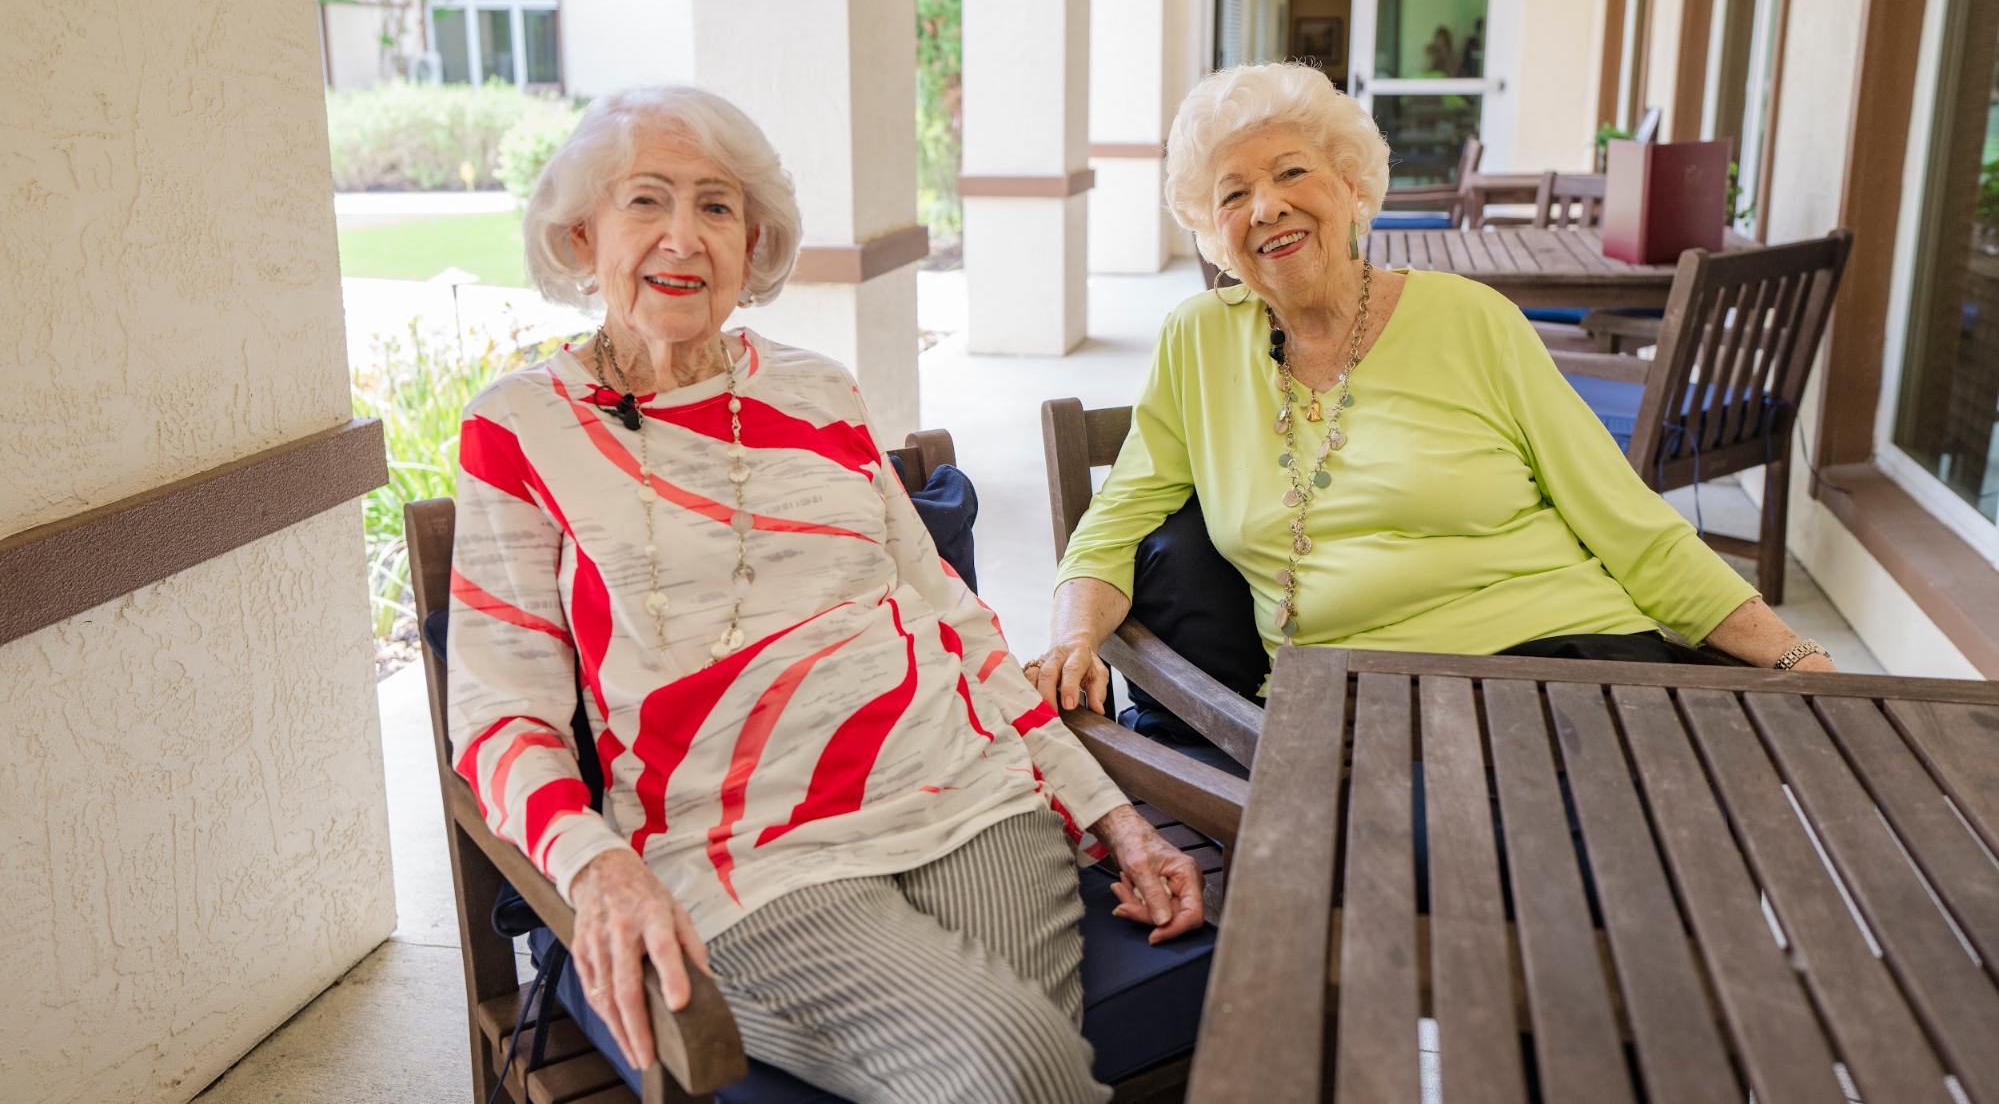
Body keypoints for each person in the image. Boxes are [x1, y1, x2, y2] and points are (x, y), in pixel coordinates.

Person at [447, 86, 1202, 1104]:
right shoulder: (521, 427)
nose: (683, 235)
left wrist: (1113, 818)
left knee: (1012, 1069)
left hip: (971, 793)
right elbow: (500, 714)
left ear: (753, 238)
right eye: (646, 201)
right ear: (582, 232)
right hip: (743, 856)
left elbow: (954, 619)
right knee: (1020, 1064)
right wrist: (596, 869)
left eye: (716, 205)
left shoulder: (818, 391)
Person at [1029, 62, 1834, 717]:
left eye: (1290, 172)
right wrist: (1073, 637)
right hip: (1360, 701)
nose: (1265, 205)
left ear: (1349, 188)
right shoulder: (1197, 341)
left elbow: (1629, 524)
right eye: (1232, 194)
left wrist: (1796, 656)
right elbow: (1118, 519)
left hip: (1572, 658)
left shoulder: (1471, 320)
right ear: (1215, 233)